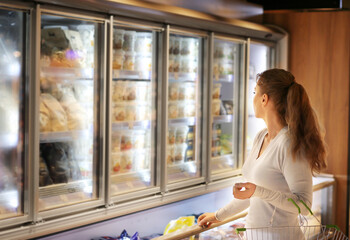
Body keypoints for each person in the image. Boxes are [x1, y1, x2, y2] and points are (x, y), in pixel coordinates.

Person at [198, 68, 327, 238]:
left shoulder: (289, 144)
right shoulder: (261, 137)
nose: (253, 98)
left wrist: (258, 191)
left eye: (255, 93)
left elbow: (304, 205)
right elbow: (251, 195)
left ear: (264, 99)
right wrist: (218, 216)